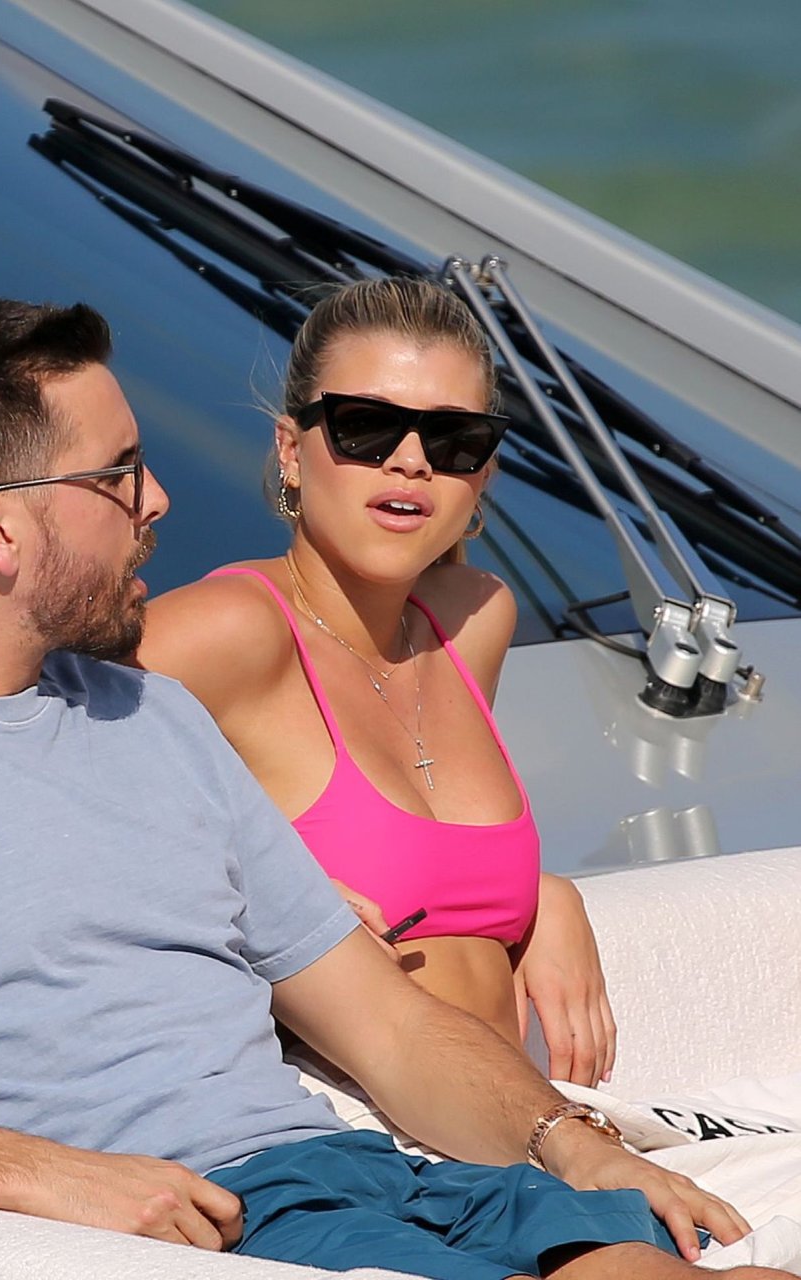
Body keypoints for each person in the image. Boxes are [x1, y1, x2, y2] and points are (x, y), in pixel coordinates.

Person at [0, 296, 782, 1280]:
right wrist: (38, 1175)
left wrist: (573, 1145)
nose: (156, 499)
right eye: (117, 475)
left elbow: (387, 1025)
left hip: (355, 1179)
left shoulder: (150, 717)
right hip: (218, 1224)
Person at [137, 275, 614, 1088]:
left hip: (508, 1122)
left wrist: (545, 896)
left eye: (454, 439)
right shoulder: (228, 629)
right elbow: (4, 780)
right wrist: (245, 893)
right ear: (291, 450)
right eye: (365, 426)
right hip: (325, 1128)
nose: (410, 460)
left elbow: (432, 856)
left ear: (483, 474)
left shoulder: (472, 619)